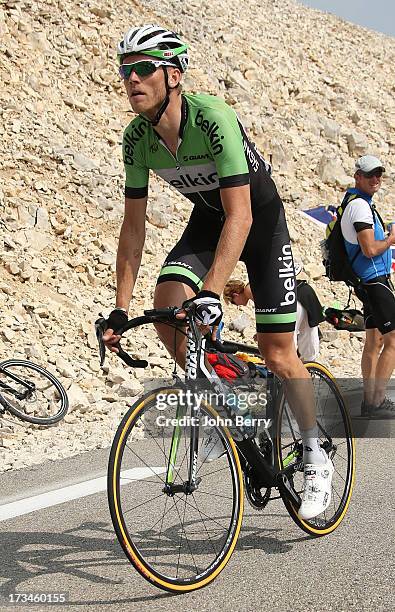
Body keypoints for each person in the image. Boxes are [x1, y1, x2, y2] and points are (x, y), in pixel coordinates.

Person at [103, 24, 333, 519]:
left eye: (143, 69)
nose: (132, 79)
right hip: (210, 222)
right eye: (125, 71)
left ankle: (314, 453)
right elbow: (134, 227)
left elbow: (243, 216)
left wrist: (210, 292)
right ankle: (225, 399)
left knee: (277, 351)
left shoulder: (213, 119)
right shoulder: (136, 139)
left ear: (174, 74)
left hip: (260, 223)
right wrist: (120, 308)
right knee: (167, 308)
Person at [340, 155, 395, 417]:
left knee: (373, 341)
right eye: (370, 174)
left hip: (368, 281)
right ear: (357, 176)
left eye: (379, 174)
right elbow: (370, 248)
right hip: (374, 281)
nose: (376, 179)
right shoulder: (360, 206)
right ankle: (377, 401)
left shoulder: (357, 203)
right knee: (394, 340)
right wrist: (392, 239)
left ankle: (367, 401)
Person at [223, 260, 325, 362]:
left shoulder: (248, 290)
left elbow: (266, 311)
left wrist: (262, 333)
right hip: (302, 293)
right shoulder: (252, 286)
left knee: (288, 337)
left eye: (234, 303)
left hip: (291, 301)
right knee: (308, 335)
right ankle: (311, 367)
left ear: (235, 295)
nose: (237, 305)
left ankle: (293, 367)